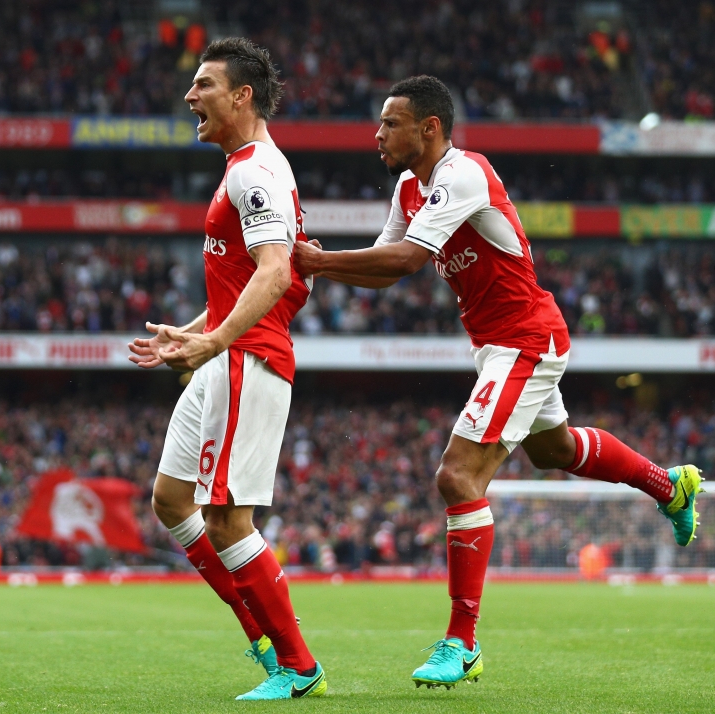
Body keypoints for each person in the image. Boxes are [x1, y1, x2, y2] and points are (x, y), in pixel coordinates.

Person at [293, 75, 703, 690]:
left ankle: (462, 642)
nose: (376, 135)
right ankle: (668, 486)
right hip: (496, 345)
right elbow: (386, 269)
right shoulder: (409, 188)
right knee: (554, 450)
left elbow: (406, 260)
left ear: (429, 128)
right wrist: (323, 267)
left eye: (390, 124)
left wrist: (317, 261)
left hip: (525, 336)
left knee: (456, 476)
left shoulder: (463, 173)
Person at [127, 38, 326, 702]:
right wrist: (190, 333)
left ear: (242, 96)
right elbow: (263, 274)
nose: (191, 97)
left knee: (228, 518)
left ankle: (298, 666)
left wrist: (214, 344)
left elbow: (276, 274)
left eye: (204, 85)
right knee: (171, 501)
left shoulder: (254, 172)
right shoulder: (245, 167)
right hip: (227, 350)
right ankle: (265, 640)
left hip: (249, 357)